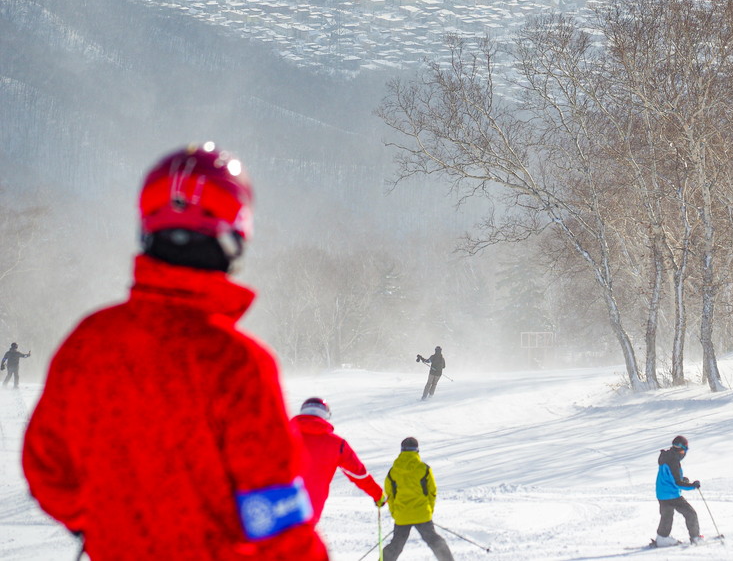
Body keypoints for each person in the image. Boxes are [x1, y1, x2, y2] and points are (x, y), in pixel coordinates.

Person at [22, 143, 327, 561]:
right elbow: (276, 518)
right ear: (236, 234)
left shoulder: (89, 341)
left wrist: (107, 525)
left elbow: (46, 466)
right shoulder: (236, 362)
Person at [291, 396, 383, 522]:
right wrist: (378, 495)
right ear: (326, 415)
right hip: (309, 509)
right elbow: (358, 474)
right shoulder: (337, 444)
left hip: (271, 504)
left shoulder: (279, 436)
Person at [379, 436, 455, 561]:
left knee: (396, 546)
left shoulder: (393, 471)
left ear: (402, 450)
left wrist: (395, 512)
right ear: (417, 450)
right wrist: (429, 509)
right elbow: (432, 491)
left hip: (402, 515)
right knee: (434, 541)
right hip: (422, 513)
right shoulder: (424, 469)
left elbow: (390, 495)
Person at [652, 434, 702, 547]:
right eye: (685, 450)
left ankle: (662, 538)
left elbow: (670, 477)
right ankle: (695, 538)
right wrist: (693, 485)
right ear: (682, 450)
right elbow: (677, 483)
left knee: (667, 515)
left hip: (662, 493)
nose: (685, 453)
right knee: (691, 513)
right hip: (672, 494)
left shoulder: (667, 457)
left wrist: (683, 479)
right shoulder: (673, 461)